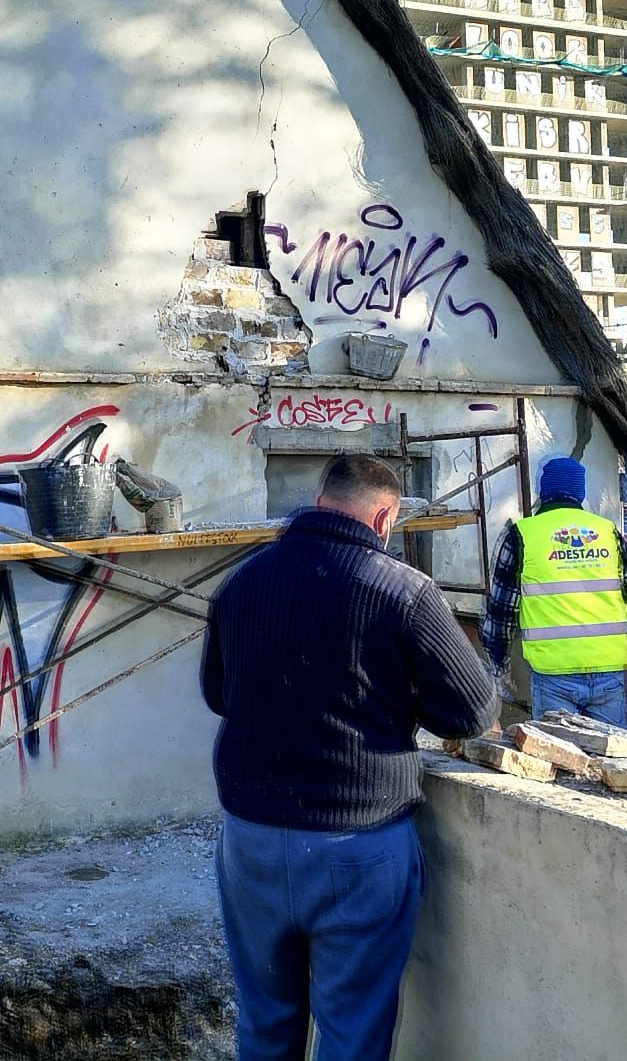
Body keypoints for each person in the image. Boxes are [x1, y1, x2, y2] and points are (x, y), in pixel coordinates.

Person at [201, 454, 496, 1061]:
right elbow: (470, 713)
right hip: (356, 848)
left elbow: (217, 693)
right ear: (384, 516)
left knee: (262, 1027)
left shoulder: (242, 581)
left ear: (320, 500)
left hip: (250, 841)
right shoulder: (402, 590)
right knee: (351, 1034)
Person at [481, 455, 627, 728]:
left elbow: (500, 610)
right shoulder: (606, 532)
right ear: (580, 492)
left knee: (560, 757)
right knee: (614, 758)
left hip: (553, 673)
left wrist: (499, 665)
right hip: (608, 669)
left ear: (542, 492)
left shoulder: (522, 534)